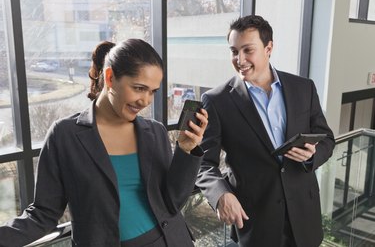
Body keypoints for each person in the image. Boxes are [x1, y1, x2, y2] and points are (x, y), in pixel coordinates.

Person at [0, 39, 208, 247]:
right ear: (110, 77)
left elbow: (172, 203)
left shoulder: (155, 132)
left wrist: (185, 150)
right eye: (138, 88)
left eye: (152, 91)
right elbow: (43, 214)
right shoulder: (64, 135)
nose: (145, 100)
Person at [195, 15, 335, 247]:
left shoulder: (303, 88)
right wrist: (220, 195)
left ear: (269, 48)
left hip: (305, 214)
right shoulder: (216, 100)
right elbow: (204, 163)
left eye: (247, 50)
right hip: (255, 220)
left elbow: (327, 138)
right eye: (233, 51)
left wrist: (312, 156)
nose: (239, 59)